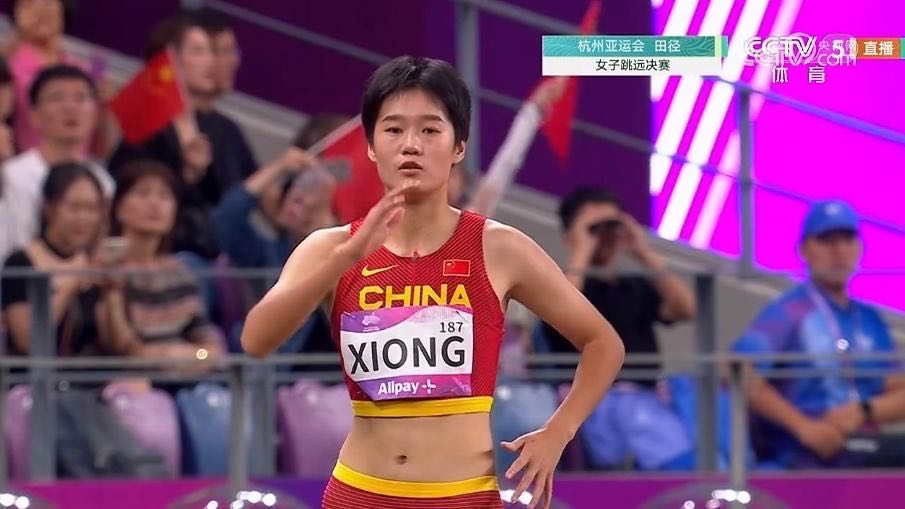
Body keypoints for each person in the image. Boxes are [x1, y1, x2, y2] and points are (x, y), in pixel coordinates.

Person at [242, 56, 625, 509]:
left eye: (429, 130)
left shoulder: (499, 247)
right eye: (393, 129)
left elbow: (603, 343)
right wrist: (344, 259)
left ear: (458, 146)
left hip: (462, 498)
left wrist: (558, 432)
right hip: (359, 495)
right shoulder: (330, 248)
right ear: (371, 146)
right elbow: (255, 341)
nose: (411, 145)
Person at [734, 200, 905, 468]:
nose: (839, 250)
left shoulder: (869, 319)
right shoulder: (788, 311)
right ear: (804, 250)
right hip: (802, 451)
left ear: (859, 248)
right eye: (827, 240)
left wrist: (862, 412)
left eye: (847, 240)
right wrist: (805, 428)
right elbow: (737, 372)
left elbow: (897, 387)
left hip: (862, 444)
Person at [537, 187, 698, 470]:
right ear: (570, 236)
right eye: (594, 228)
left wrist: (642, 251)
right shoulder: (561, 287)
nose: (605, 235)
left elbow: (686, 309)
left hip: (647, 398)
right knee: (635, 414)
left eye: (612, 225)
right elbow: (560, 313)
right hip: (595, 402)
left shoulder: (633, 285)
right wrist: (582, 249)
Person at [0, 64, 113, 264]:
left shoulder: (104, 181)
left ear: (95, 114)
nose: (70, 107)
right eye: (57, 98)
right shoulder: (11, 177)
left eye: (81, 98)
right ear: (34, 115)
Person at [2, 163, 105, 356]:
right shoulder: (20, 262)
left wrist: (113, 292)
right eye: (74, 207)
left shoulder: (96, 263)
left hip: (89, 371)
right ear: (48, 207)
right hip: (37, 373)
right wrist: (73, 282)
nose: (83, 218)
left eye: (91, 209)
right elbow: (27, 340)